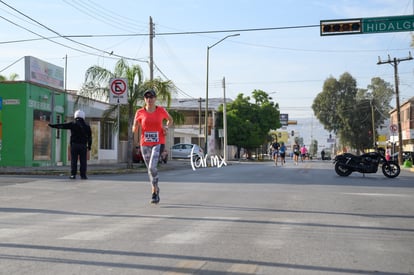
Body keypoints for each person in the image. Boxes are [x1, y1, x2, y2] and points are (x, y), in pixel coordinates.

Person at [133, 89, 173, 204]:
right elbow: (134, 127)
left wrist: (166, 127)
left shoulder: (160, 110)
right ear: (144, 99)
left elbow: (170, 120)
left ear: (155, 99)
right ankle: (155, 189)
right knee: (150, 170)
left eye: (151, 97)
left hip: (158, 142)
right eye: (147, 97)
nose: (149, 99)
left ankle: (154, 192)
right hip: (144, 143)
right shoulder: (139, 112)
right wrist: (135, 127)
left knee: (152, 167)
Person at [48, 110, 92, 180]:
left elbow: (62, 126)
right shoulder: (87, 126)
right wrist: (89, 146)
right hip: (83, 146)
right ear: (83, 116)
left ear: (75, 116)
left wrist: (53, 126)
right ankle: (83, 175)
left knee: (73, 160)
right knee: (83, 161)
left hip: (74, 145)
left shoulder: (73, 124)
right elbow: (89, 137)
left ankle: (73, 175)